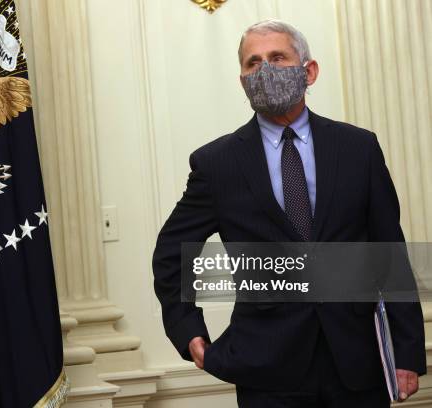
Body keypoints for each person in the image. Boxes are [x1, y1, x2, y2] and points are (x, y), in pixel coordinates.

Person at [152, 19, 426, 407]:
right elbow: (172, 251)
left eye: (278, 57)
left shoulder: (358, 148)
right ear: (242, 79)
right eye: (253, 63)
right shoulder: (217, 163)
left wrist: (407, 353)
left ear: (308, 71)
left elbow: (390, 255)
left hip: (356, 361)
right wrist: (188, 331)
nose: (264, 70)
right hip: (265, 366)